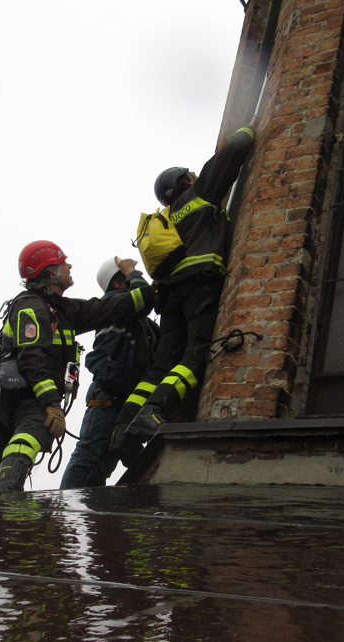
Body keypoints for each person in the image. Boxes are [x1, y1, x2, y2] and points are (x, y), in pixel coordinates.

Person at [0, 242, 154, 495]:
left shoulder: (64, 311)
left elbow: (131, 304)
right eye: (64, 262)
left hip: (14, 403)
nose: (70, 265)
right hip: (27, 401)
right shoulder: (30, 306)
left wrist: (133, 274)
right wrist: (52, 404)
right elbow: (31, 358)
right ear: (52, 272)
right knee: (31, 436)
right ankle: (5, 501)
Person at [109, 118, 258, 464]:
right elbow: (232, 152)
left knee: (160, 367)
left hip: (170, 297)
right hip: (200, 287)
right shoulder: (199, 194)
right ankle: (155, 412)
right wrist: (251, 127)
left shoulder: (166, 218)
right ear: (185, 180)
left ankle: (122, 429)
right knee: (197, 353)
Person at [59, 258, 160, 489]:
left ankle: (94, 518)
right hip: (107, 398)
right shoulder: (116, 302)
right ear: (118, 284)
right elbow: (144, 298)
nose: (135, 278)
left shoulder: (144, 325)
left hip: (124, 402)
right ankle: (62, 512)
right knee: (87, 457)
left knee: (102, 467)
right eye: (128, 277)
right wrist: (132, 272)